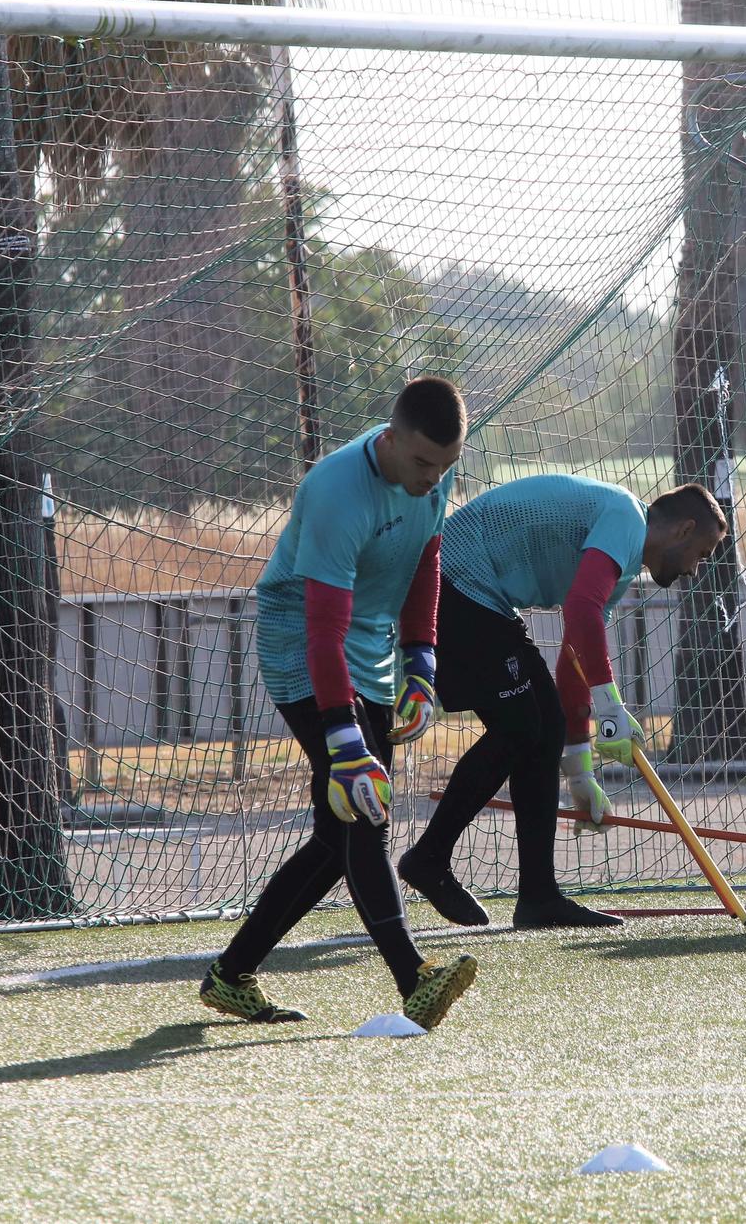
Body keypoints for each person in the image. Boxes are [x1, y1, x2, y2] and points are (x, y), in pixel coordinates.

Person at [199, 376, 477, 1029]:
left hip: (371, 643)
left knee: (335, 836)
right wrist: (342, 736)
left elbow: (425, 559)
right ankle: (414, 978)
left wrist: (421, 661)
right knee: (362, 808)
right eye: (422, 463)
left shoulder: (432, 478)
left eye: (446, 466)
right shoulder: (335, 492)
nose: (433, 478)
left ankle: (231, 974)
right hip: (303, 639)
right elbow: (323, 629)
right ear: (391, 438)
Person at [400, 477, 727, 929]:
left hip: (477, 593)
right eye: (702, 555)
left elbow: (575, 652)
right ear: (684, 530)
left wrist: (579, 769)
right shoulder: (626, 520)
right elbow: (579, 609)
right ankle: (429, 860)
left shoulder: (623, 563)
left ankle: (537, 898)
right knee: (521, 726)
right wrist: (610, 704)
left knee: (543, 724)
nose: (695, 569)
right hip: (452, 581)